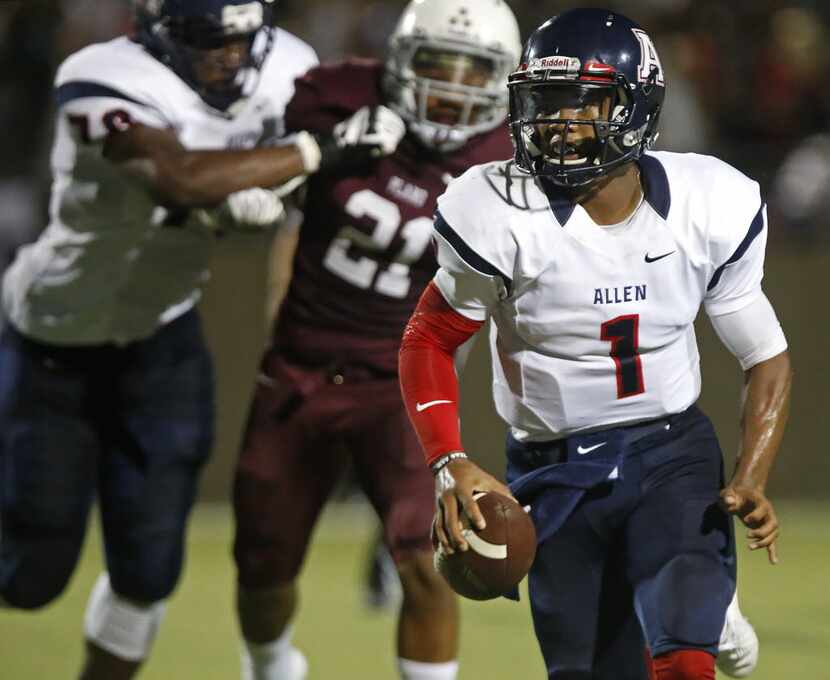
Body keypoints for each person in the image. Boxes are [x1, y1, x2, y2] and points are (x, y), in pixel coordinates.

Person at [0, 1, 405, 679]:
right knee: (30, 577)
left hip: (162, 334)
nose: (229, 54)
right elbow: (179, 176)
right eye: (207, 38)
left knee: (150, 570)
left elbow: (332, 184)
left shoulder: (289, 68)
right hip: (54, 341)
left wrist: (307, 177)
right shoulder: (101, 73)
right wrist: (305, 154)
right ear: (159, 33)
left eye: (243, 37)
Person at [399, 8, 791, 680]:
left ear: (634, 107)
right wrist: (449, 462)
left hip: (669, 455)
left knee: (682, 656)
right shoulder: (497, 213)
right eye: (546, 105)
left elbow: (765, 354)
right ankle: (689, 602)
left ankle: (694, 606)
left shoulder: (707, 202)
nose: (559, 125)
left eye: (584, 105)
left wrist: (752, 473)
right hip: (553, 470)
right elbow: (427, 339)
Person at [230, 1, 522, 679]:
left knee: (428, 564)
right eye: (437, 64)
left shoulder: (508, 162)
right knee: (264, 566)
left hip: (400, 386)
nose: (452, 86)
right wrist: (295, 166)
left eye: (472, 70)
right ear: (400, 62)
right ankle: (271, 666)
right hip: (299, 367)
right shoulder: (335, 98)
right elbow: (266, 194)